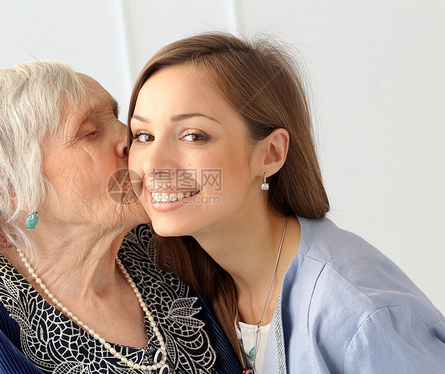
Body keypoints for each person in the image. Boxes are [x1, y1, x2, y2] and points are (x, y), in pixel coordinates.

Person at [127, 33, 445, 373]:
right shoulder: (195, 288)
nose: (154, 164)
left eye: (193, 135)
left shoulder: (358, 312)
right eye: (143, 136)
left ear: (271, 153)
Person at [0, 61, 241, 373]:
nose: (129, 137)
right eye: (90, 132)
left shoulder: (165, 247)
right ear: (14, 188)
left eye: (117, 116)